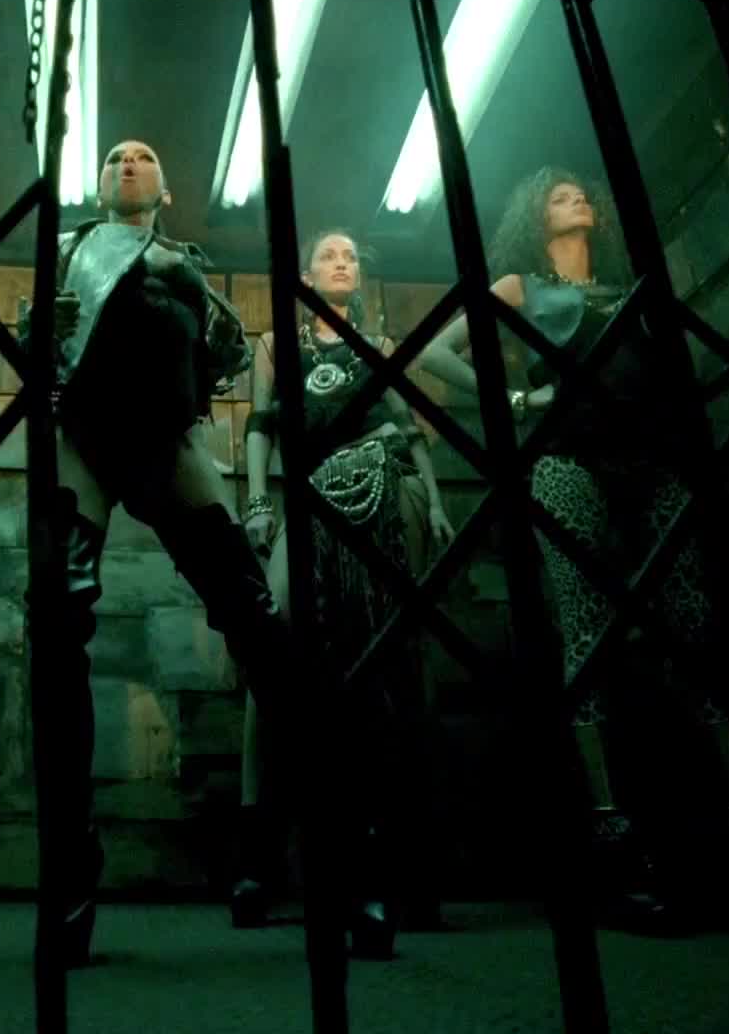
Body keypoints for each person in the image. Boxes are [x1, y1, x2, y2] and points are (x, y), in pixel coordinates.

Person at [411, 166, 729, 929]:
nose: (577, 198)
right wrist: (519, 398)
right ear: (535, 216)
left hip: (654, 461)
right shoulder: (521, 285)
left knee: (696, 630)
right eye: (558, 193)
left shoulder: (627, 288)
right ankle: (613, 842)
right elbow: (436, 354)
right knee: (587, 636)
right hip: (569, 461)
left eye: (581, 192)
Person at [18, 139, 312, 968]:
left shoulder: (186, 261)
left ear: (166, 186)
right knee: (57, 617)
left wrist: (191, 295)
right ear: (98, 181)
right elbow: (34, 344)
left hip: (168, 437)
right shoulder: (69, 247)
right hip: (83, 430)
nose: (127, 162)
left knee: (257, 619)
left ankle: (330, 840)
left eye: (144, 156)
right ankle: (69, 865)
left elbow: (226, 357)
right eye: (114, 155)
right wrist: (40, 329)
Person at [231, 229, 455, 958]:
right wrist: (256, 503)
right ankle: (261, 850)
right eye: (329, 254)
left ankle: (404, 857)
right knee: (277, 645)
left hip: (385, 492)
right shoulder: (276, 345)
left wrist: (433, 496)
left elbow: (406, 429)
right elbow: (260, 426)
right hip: (306, 500)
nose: (341, 262)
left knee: (394, 655)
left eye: (352, 256)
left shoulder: (378, 345)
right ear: (304, 275)